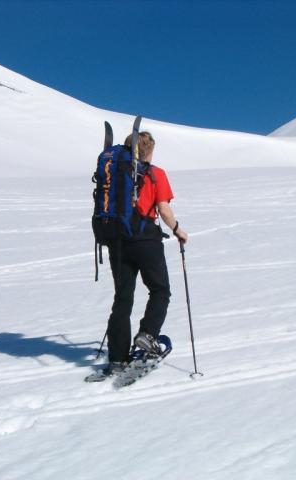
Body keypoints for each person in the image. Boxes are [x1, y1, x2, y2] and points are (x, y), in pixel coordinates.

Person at [97, 131, 188, 379]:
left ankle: (117, 357)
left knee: (123, 297)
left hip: (117, 240)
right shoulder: (155, 173)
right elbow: (164, 209)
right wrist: (178, 230)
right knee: (160, 290)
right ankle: (147, 334)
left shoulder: (114, 172)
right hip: (146, 238)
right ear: (148, 150)